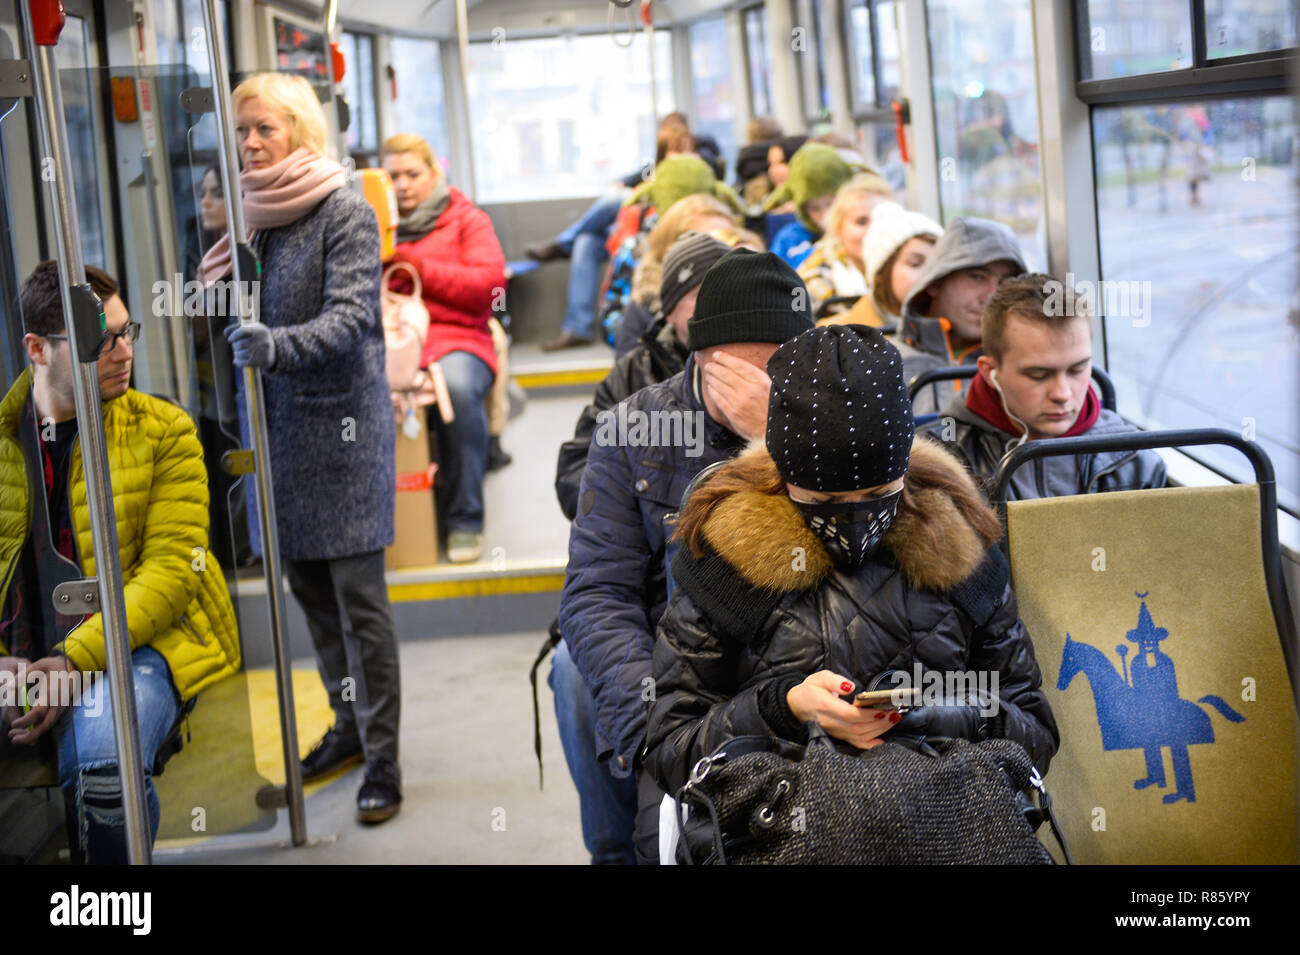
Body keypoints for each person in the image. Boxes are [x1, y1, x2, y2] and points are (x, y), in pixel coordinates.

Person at [643, 324, 1059, 813]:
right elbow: (671, 751)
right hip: (790, 826)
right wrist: (786, 709)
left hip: (948, 817)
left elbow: (1035, 734)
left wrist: (936, 712)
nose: (855, 516)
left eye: (878, 495)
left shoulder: (960, 544)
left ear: (904, 469)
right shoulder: (731, 560)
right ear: (784, 477)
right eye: (825, 501)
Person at [559, 249, 816, 863]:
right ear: (701, 355)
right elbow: (598, 592)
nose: (764, 387)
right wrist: (655, 728)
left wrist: (774, 437)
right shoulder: (632, 430)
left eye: (780, 371)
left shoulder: (821, 420)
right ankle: (614, 849)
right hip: (665, 651)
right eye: (746, 370)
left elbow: (858, 557)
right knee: (574, 672)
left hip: (795, 648)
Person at [199, 71, 402, 823]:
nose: (250, 143)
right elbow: (226, 311)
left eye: (265, 129)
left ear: (301, 132)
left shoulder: (343, 210)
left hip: (342, 437)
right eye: (242, 130)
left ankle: (383, 755)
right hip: (277, 439)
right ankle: (347, 726)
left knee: (360, 602)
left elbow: (352, 317)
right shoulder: (250, 219)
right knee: (314, 600)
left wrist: (274, 345)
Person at [1, 262, 240, 863]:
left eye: (127, 331)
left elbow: (169, 576)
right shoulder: (7, 442)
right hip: (24, 654)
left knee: (104, 766)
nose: (122, 351)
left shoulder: (163, 431)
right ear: (37, 348)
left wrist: (69, 660)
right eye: (99, 342)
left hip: (137, 644)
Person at [919, 273, 1167, 498]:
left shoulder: (1133, 460)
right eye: (1038, 375)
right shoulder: (941, 462)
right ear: (990, 373)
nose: (1062, 393)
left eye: (1077, 370)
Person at [383, 132, 506, 564]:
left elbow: (490, 288)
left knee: (453, 386)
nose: (402, 185)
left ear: (434, 172)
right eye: (392, 175)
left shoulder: (465, 219)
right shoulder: (374, 223)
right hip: (391, 339)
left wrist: (420, 270)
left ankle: (464, 520)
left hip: (458, 338)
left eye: (412, 174)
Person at [897, 216, 1026, 415]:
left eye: (1005, 282)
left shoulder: (1024, 364)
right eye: (977, 277)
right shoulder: (889, 363)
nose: (992, 297)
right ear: (935, 283)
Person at [611, 193, 740, 356]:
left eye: (727, 239)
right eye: (701, 241)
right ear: (671, 244)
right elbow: (632, 374)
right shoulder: (645, 306)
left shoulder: (752, 295)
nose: (717, 251)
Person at [798, 172, 895, 319]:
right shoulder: (816, 278)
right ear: (838, 228)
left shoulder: (903, 268)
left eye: (881, 219)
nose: (873, 230)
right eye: (861, 222)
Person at [836, 201, 942, 329]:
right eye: (916, 264)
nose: (931, 273)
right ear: (882, 273)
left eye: (938, 262)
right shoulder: (838, 339)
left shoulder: (956, 332)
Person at [763, 142, 865, 269]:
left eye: (830, 204)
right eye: (815, 208)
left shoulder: (855, 233)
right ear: (804, 210)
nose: (824, 214)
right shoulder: (789, 238)